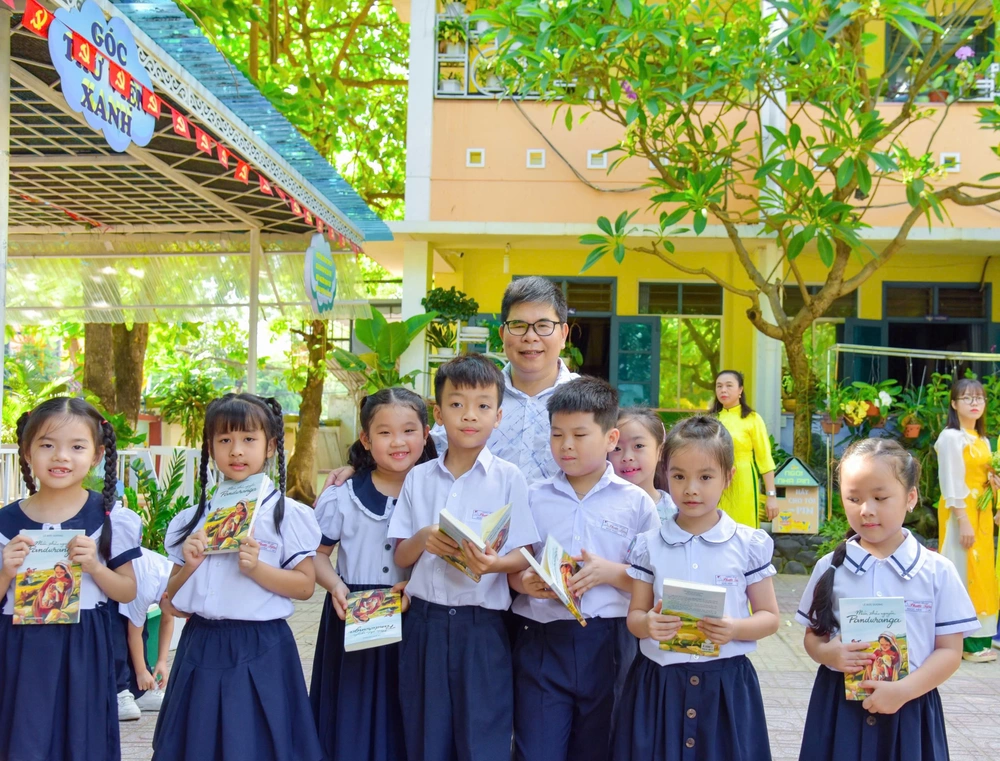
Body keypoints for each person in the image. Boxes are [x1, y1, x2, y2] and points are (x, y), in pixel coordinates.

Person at [153, 394, 323, 761]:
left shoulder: (286, 515)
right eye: (224, 440)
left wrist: (257, 569)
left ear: (271, 446)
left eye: (249, 439)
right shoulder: (190, 520)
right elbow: (171, 603)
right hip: (199, 645)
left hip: (261, 647)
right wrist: (189, 565)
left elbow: (306, 586)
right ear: (210, 447)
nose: (236, 451)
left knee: (257, 746)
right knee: (197, 746)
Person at [388, 354, 539, 761]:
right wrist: (424, 538)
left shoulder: (509, 478)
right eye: (456, 404)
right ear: (438, 413)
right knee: (425, 736)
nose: (469, 416)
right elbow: (402, 555)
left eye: (483, 406)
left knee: (483, 737)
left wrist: (495, 564)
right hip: (425, 624)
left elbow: (524, 553)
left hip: (483, 628)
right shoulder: (419, 478)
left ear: (499, 415)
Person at [796, 438, 978, 761]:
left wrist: (902, 691)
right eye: (854, 498)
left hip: (909, 708)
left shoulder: (937, 571)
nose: (866, 509)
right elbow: (813, 637)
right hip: (838, 708)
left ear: (910, 498)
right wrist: (829, 654)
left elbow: (950, 651)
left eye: (880, 497)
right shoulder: (829, 567)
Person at [612, 415, 779, 761]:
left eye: (705, 477)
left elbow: (769, 618)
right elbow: (635, 617)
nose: (691, 489)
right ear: (665, 473)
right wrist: (648, 625)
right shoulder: (649, 544)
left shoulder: (748, 544)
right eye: (679, 476)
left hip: (725, 687)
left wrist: (734, 628)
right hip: (658, 685)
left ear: (728, 477)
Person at [510, 378, 660, 761]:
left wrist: (611, 572)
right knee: (537, 748)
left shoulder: (636, 504)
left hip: (607, 641)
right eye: (557, 434)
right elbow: (514, 567)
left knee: (600, 746)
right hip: (540, 639)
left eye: (579, 434)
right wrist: (525, 582)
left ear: (611, 438)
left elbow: (655, 584)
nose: (566, 445)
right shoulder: (533, 495)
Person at [324, 276, 579, 489]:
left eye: (543, 326)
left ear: (563, 334)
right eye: (519, 325)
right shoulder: (474, 396)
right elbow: (424, 447)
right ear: (502, 334)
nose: (530, 337)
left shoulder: (585, 403)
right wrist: (362, 467)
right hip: (477, 541)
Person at [0, 397, 141, 761]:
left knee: (82, 739)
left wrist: (95, 567)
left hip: (84, 643)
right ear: (28, 453)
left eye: (76, 447)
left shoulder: (109, 518)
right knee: (22, 736)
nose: (61, 457)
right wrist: (5, 571)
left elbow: (128, 591)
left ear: (96, 455)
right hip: (20, 647)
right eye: (47, 445)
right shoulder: (5, 523)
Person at [311, 388, 438, 761]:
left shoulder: (437, 492)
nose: (398, 442)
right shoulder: (343, 495)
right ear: (366, 439)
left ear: (426, 433)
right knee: (353, 711)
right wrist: (335, 585)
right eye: (384, 433)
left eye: (409, 430)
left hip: (413, 612)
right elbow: (316, 556)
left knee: (405, 711)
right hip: (354, 612)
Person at [934, 377, 999, 663]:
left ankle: (982, 637)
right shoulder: (951, 438)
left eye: (979, 398)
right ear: (953, 404)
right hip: (960, 512)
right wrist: (963, 519)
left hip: (982, 513)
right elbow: (950, 481)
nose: (974, 404)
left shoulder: (983, 440)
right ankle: (961, 641)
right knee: (961, 570)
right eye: (967, 398)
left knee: (983, 572)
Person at [112, 547, 176, 720]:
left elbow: (168, 618)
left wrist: (162, 662)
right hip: (114, 577)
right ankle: (120, 691)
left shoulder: (176, 583)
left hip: (135, 577)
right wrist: (141, 671)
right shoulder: (149, 585)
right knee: (117, 633)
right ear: (165, 595)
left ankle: (140, 691)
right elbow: (134, 634)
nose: (175, 615)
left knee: (142, 627)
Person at [710, 370, 778, 527]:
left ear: (740, 390)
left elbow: (765, 460)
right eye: (719, 386)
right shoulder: (711, 420)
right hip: (715, 479)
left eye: (729, 386)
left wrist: (771, 496)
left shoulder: (752, 419)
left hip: (743, 479)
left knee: (743, 527)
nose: (723, 390)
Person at [610, 406, 677, 522]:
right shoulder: (601, 506)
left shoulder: (675, 510)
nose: (627, 457)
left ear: (661, 451)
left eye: (638, 446)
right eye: (617, 448)